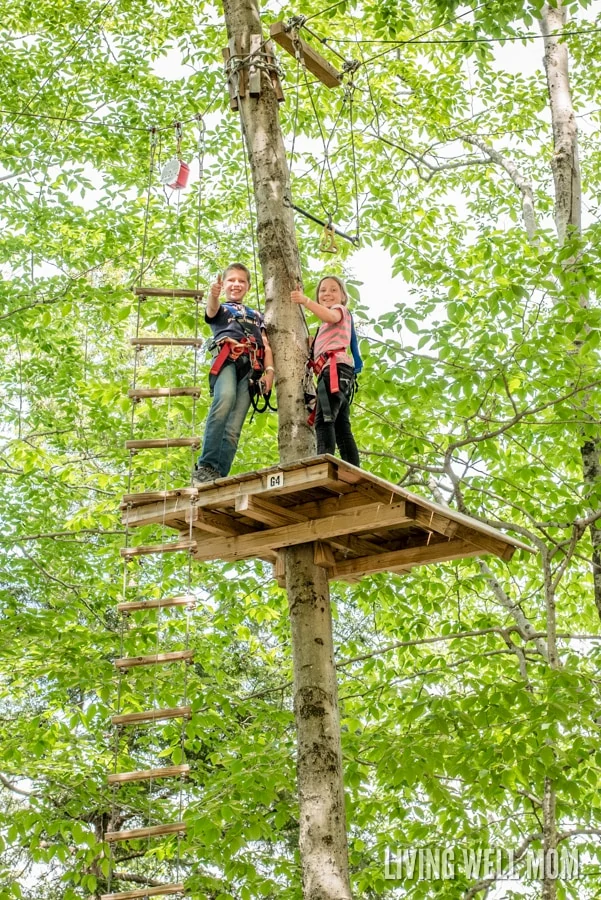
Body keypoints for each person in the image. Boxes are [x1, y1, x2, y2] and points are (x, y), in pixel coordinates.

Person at [193, 263, 274, 484]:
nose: (236, 284)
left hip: (252, 367)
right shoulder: (222, 309)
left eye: (241, 281)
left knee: (235, 424)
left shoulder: (256, 315)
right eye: (231, 280)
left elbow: (265, 345)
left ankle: (219, 473)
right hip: (228, 358)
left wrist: (269, 372)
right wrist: (213, 294)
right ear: (225, 285)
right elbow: (211, 310)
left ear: (247, 286)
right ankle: (205, 466)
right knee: (224, 400)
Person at [291, 275, 360, 467]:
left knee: (324, 420)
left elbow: (329, 316)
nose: (327, 293)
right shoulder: (325, 327)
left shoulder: (340, 310)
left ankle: (322, 463)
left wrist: (305, 300)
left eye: (333, 290)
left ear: (343, 297)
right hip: (339, 373)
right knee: (341, 427)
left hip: (335, 370)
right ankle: (353, 467)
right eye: (322, 290)